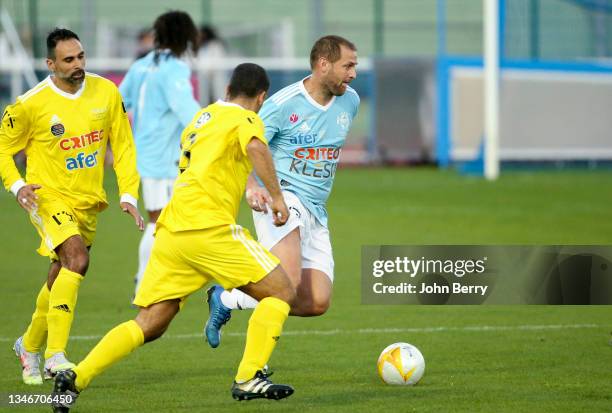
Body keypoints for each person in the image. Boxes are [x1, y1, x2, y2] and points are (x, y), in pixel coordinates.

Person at [51, 63, 297, 412]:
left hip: (172, 230)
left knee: (150, 323)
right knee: (282, 291)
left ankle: (76, 377)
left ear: (227, 87)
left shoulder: (201, 120)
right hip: (207, 227)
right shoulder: (247, 118)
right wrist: (276, 196)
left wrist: (245, 184)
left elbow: (212, 164)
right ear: (261, 97)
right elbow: (256, 147)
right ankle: (248, 377)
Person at [0, 28, 143, 386]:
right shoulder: (30, 104)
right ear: (51, 64)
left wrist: (128, 194)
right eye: (68, 60)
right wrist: (18, 186)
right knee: (77, 259)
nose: (77, 64)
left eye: (80, 56)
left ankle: (29, 344)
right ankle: (55, 356)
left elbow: (123, 145)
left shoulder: (106, 92)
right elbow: (3, 148)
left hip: (88, 200)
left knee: (61, 273)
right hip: (46, 196)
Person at [205, 35, 359, 348]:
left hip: (316, 209)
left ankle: (228, 297)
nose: (353, 73)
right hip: (280, 198)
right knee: (286, 282)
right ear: (323, 64)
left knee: (316, 302)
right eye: (348, 65)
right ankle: (251, 372)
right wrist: (251, 186)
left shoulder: (350, 101)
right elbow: (245, 145)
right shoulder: (281, 105)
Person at [119, 11, 201, 297]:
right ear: (185, 36)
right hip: (164, 158)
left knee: (168, 219)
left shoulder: (142, 65)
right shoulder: (174, 68)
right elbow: (188, 112)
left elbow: (120, 101)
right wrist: (216, 126)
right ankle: (145, 284)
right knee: (160, 220)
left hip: (146, 152)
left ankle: (160, 278)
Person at [199, 24, 229, 105]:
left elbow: (216, 62)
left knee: (218, 97)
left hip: (217, 78)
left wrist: (209, 72)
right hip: (207, 79)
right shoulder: (203, 47)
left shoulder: (216, 46)